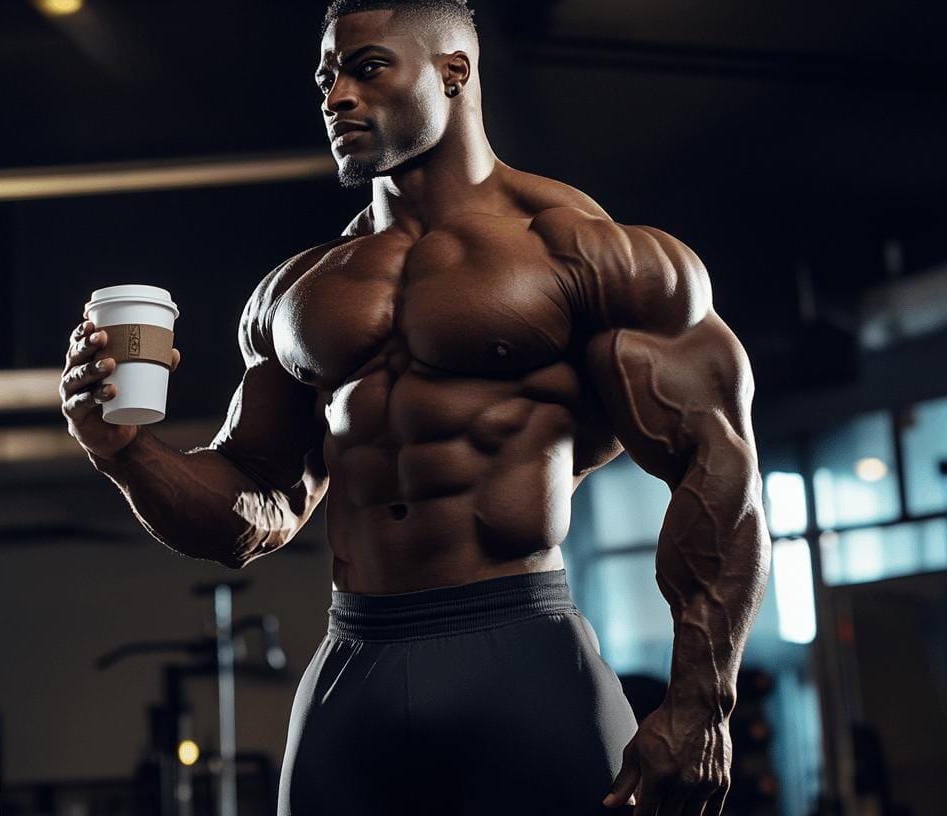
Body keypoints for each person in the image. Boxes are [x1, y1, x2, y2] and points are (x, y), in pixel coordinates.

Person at [59, 1, 769, 813]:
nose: (335, 99)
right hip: (353, 662)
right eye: (326, 79)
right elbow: (253, 507)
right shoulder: (299, 294)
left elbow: (720, 473)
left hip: (523, 653)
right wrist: (122, 453)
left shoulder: (593, 255)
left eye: (366, 69)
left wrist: (700, 703)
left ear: (453, 73)